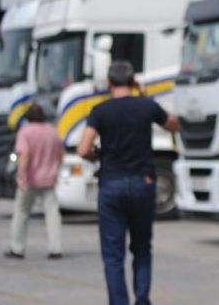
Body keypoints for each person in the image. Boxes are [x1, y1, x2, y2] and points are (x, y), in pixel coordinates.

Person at [77, 61, 180, 305]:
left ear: (109, 83)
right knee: (142, 248)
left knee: (113, 255)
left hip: (111, 184)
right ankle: (142, 300)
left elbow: (83, 149)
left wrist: (97, 154)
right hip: (142, 183)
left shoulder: (100, 110)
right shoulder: (146, 106)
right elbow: (174, 124)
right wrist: (145, 95)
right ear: (133, 82)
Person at [5, 103, 64, 259]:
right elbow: (60, 154)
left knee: (22, 212)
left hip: (30, 179)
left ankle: (17, 248)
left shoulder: (25, 132)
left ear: (27, 118)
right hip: (49, 179)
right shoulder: (53, 131)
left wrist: (21, 176)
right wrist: (56, 170)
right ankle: (55, 248)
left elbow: (24, 156)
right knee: (52, 214)